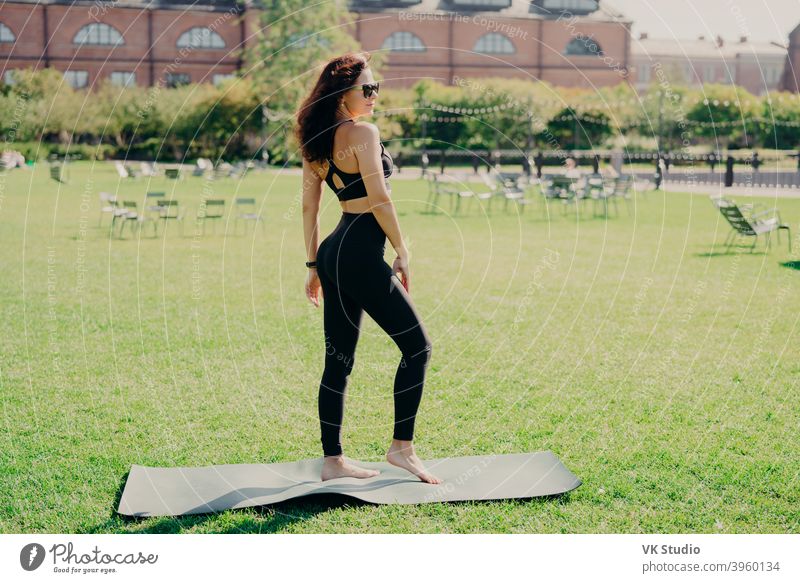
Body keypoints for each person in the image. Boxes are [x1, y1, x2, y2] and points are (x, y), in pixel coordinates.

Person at [295, 52, 441, 484]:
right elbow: (379, 197)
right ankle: (402, 449)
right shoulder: (363, 132)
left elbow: (309, 205)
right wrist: (403, 249)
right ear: (346, 92)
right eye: (369, 88)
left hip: (333, 251)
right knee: (418, 347)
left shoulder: (317, 139)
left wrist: (312, 263)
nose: (375, 96)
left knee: (338, 360)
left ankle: (332, 460)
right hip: (359, 251)